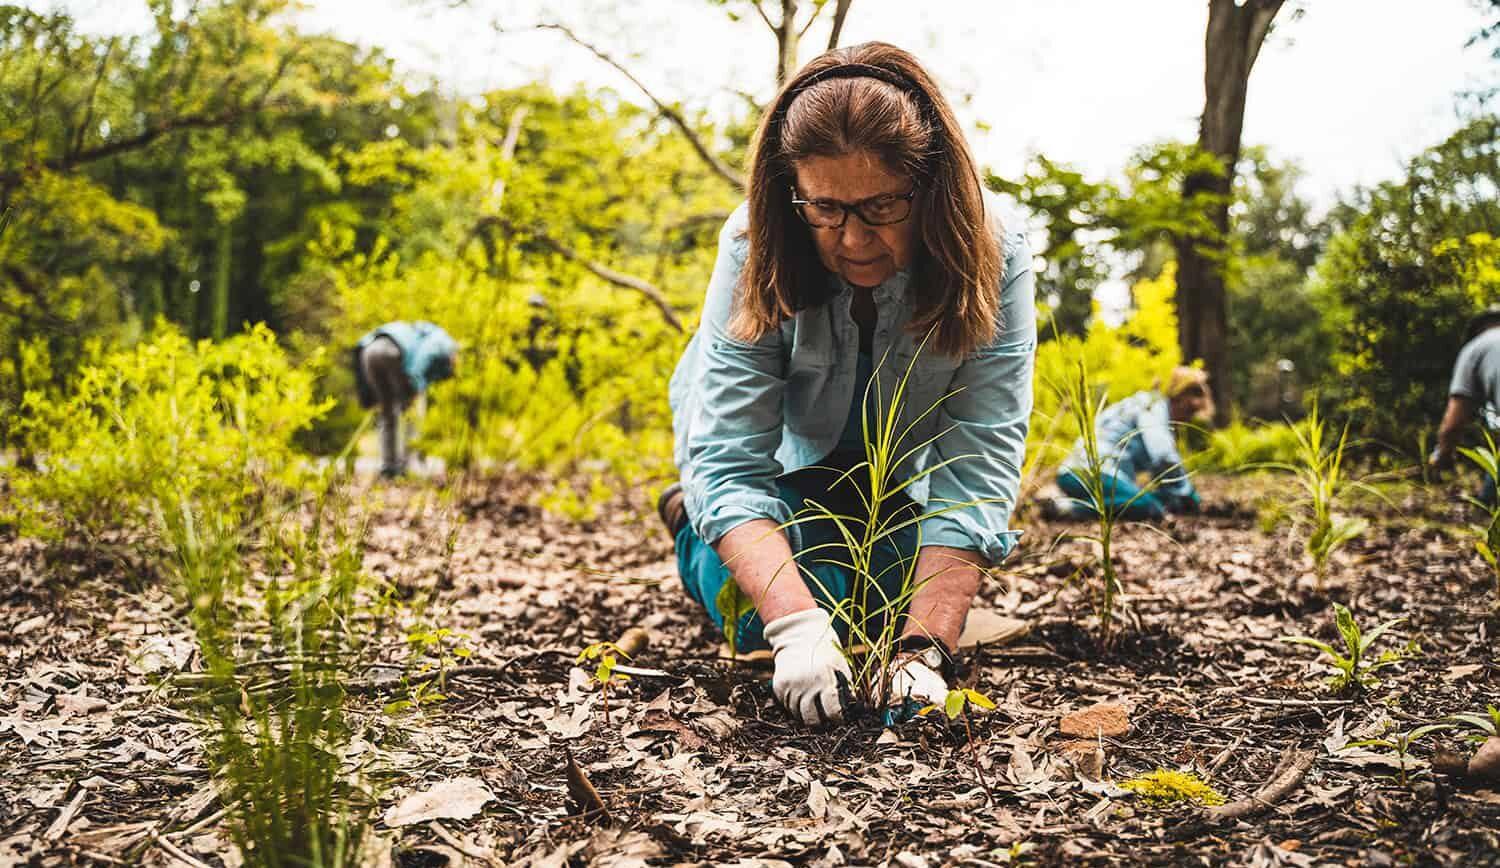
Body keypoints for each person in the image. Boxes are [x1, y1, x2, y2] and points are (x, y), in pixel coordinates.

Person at [659, 43, 1035, 726]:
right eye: (825, 208)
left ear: (930, 189)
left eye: (883, 207)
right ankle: (690, 520)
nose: (854, 240)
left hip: (891, 483)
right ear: (792, 192)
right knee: (754, 617)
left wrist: (925, 652)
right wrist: (795, 628)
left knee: (891, 603)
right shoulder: (753, 242)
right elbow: (730, 458)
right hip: (778, 467)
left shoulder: (997, 254)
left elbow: (978, 462)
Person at [1049, 367, 1213, 522]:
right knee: (1149, 506)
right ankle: (1066, 507)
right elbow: (1164, 458)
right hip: (1094, 473)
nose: (1187, 419)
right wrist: (1187, 492)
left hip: (1071, 473)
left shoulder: (1139, 402)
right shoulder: (1153, 407)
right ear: (1179, 398)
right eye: (1189, 411)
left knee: (1155, 500)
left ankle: (1065, 501)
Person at [353, 321, 458, 478]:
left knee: (388, 412)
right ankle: (409, 463)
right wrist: (414, 385)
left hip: (368, 353)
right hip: (392, 352)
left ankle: (389, 468)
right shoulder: (443, 339)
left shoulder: (414, 332)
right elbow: (427, 353)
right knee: (414, 408)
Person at [1428, 305, 1500, 504]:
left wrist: (1442, 456)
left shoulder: (1475, 348)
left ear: (1478, 329)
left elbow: (1455, 419)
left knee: (1488, 505)